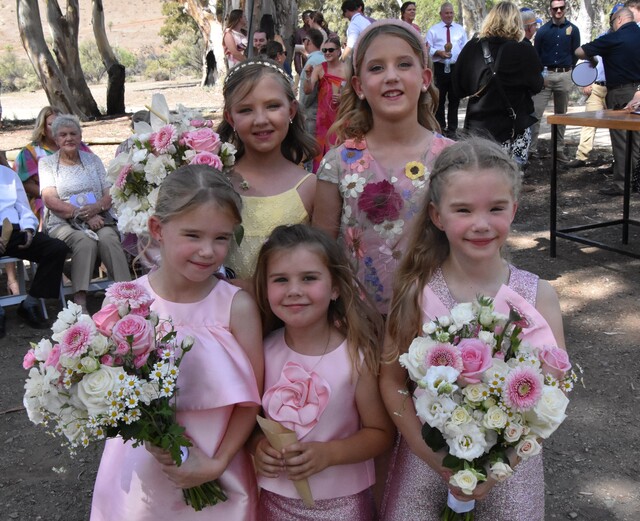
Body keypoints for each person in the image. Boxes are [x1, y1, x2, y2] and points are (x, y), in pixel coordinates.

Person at [379, 137, 567, 521]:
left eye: (496, 208)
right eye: (463, 210)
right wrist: (436, 459)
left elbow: (554, 392)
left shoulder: (539, 297)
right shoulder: (416, 291)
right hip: (426, 464)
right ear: (437, 215)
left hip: (512, 472)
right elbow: (391, 380)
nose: (481, 224)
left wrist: (501, 467)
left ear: (514, 209)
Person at [90, 165, 263, 520]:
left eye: (221, 238)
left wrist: (217, 463)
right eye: (193, 235)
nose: (207, 251)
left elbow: (251, 400)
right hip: (143, 471)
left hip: (218, 466)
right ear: (158, 229)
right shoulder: (124, 303)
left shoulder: (237, 307)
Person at [251, 224, 393, 519]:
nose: (294, 291)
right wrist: (258, 447)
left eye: (309, 278)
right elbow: (251, 422)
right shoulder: (261, 352)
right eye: (280, 280)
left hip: (343, 506)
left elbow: (380, 433)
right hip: (275, 502)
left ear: (335, 288)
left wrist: (329, 454)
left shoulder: (356, 356)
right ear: (265, 288)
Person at [313, 19, 453, 315]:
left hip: (436, 326)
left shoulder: (452, 159)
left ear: (425, 78)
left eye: (404, 65)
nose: (391, 76)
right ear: (359, 86)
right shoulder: (337, 164)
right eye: (376, 68)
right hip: (358, 324)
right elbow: (321, 254)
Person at [217, 59, 317, 286]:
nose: (261, 120)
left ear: (291, 110)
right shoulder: (215, 179)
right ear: (230, 118)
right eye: (246, 110)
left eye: (272, 106)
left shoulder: (310, 187)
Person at [39, 115, 131, 312]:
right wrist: (84, 215)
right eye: (63, 135)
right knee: (84, 241)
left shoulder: (92, 160)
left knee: (109, 238)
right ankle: (80, 298)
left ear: (80, 136)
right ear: (56, 139)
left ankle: (126, 293)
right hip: (62, 222)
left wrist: (97, 208)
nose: (69, 138)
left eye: (73, 133)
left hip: (99, 218)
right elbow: (50, 199)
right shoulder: (47, 164)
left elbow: (109, 192)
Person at [454, 1, 543, 166]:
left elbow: (458, 88)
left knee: (477, 178)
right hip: (512, 129)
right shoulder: (524, 49)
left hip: (477, 129)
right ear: (517, 22)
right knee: (509, 183)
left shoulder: (472, 47)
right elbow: (537, 85)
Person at [576, 6, 640, 195]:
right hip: (638, 91)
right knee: (636, 140)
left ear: (619, 20)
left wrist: (593, 60)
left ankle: (622, 183)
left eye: (613, 21)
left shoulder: (613, 37)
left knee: (621, 140)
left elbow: (579, 51)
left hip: (620, 92)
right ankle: (636, 182)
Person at [0, 165, 69, 336]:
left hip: (14, 231)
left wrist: (29, 229)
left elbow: (23, 208)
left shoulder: (7, 174)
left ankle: (30, 303)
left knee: (56, 249)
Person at [529, 0, 580, 161]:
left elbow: (576, 52)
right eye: (555, 8)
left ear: (565, 9)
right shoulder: (543, 31)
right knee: (535, 113)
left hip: (564, 74)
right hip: (545, 74)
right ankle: (531, 149)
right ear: (550, 10)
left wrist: (568, 70)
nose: (558, 11)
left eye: (561, 8)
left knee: (561, 115)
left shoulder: (573, 30)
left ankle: (558, 149)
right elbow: (536, 55)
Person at [304, 35, 349, 172]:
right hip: (323, 118)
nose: (327, 53)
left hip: (342, 116)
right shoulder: (319, 68)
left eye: (331, 50)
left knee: (341, 148)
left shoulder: (347, 69)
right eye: (324, 50)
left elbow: (356, 93)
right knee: (321, 152)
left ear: (339, 51)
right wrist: (307, 76)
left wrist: (343, 97)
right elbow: (308, 90)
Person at [426, 2, 468, 138]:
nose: (449, 15)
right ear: (441, 14)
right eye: (446, 13)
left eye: (451, 13)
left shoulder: (460, 29)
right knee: (440, 99)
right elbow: (427, 48)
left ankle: (452, 129)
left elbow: (465, 48)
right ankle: (441, 128)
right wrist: (438, 52)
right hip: (440, 68)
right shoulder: (433, 30)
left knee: (455, 99)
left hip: (456, 68)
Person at [299, 29, 326, 150]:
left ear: (307, 42)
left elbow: (307, 94)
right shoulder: (323, 60)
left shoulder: (313, 62)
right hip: (323, 113)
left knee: (311, 152)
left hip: (312, 114)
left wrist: (300, 110)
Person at [293, 10, 314, 92]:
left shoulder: (318, 31)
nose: (309, 20)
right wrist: (299, 69)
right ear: (304, 20)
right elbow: (298, 53)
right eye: (308, 18)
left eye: (311, 18)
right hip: (306, 68)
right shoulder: (300, 33)